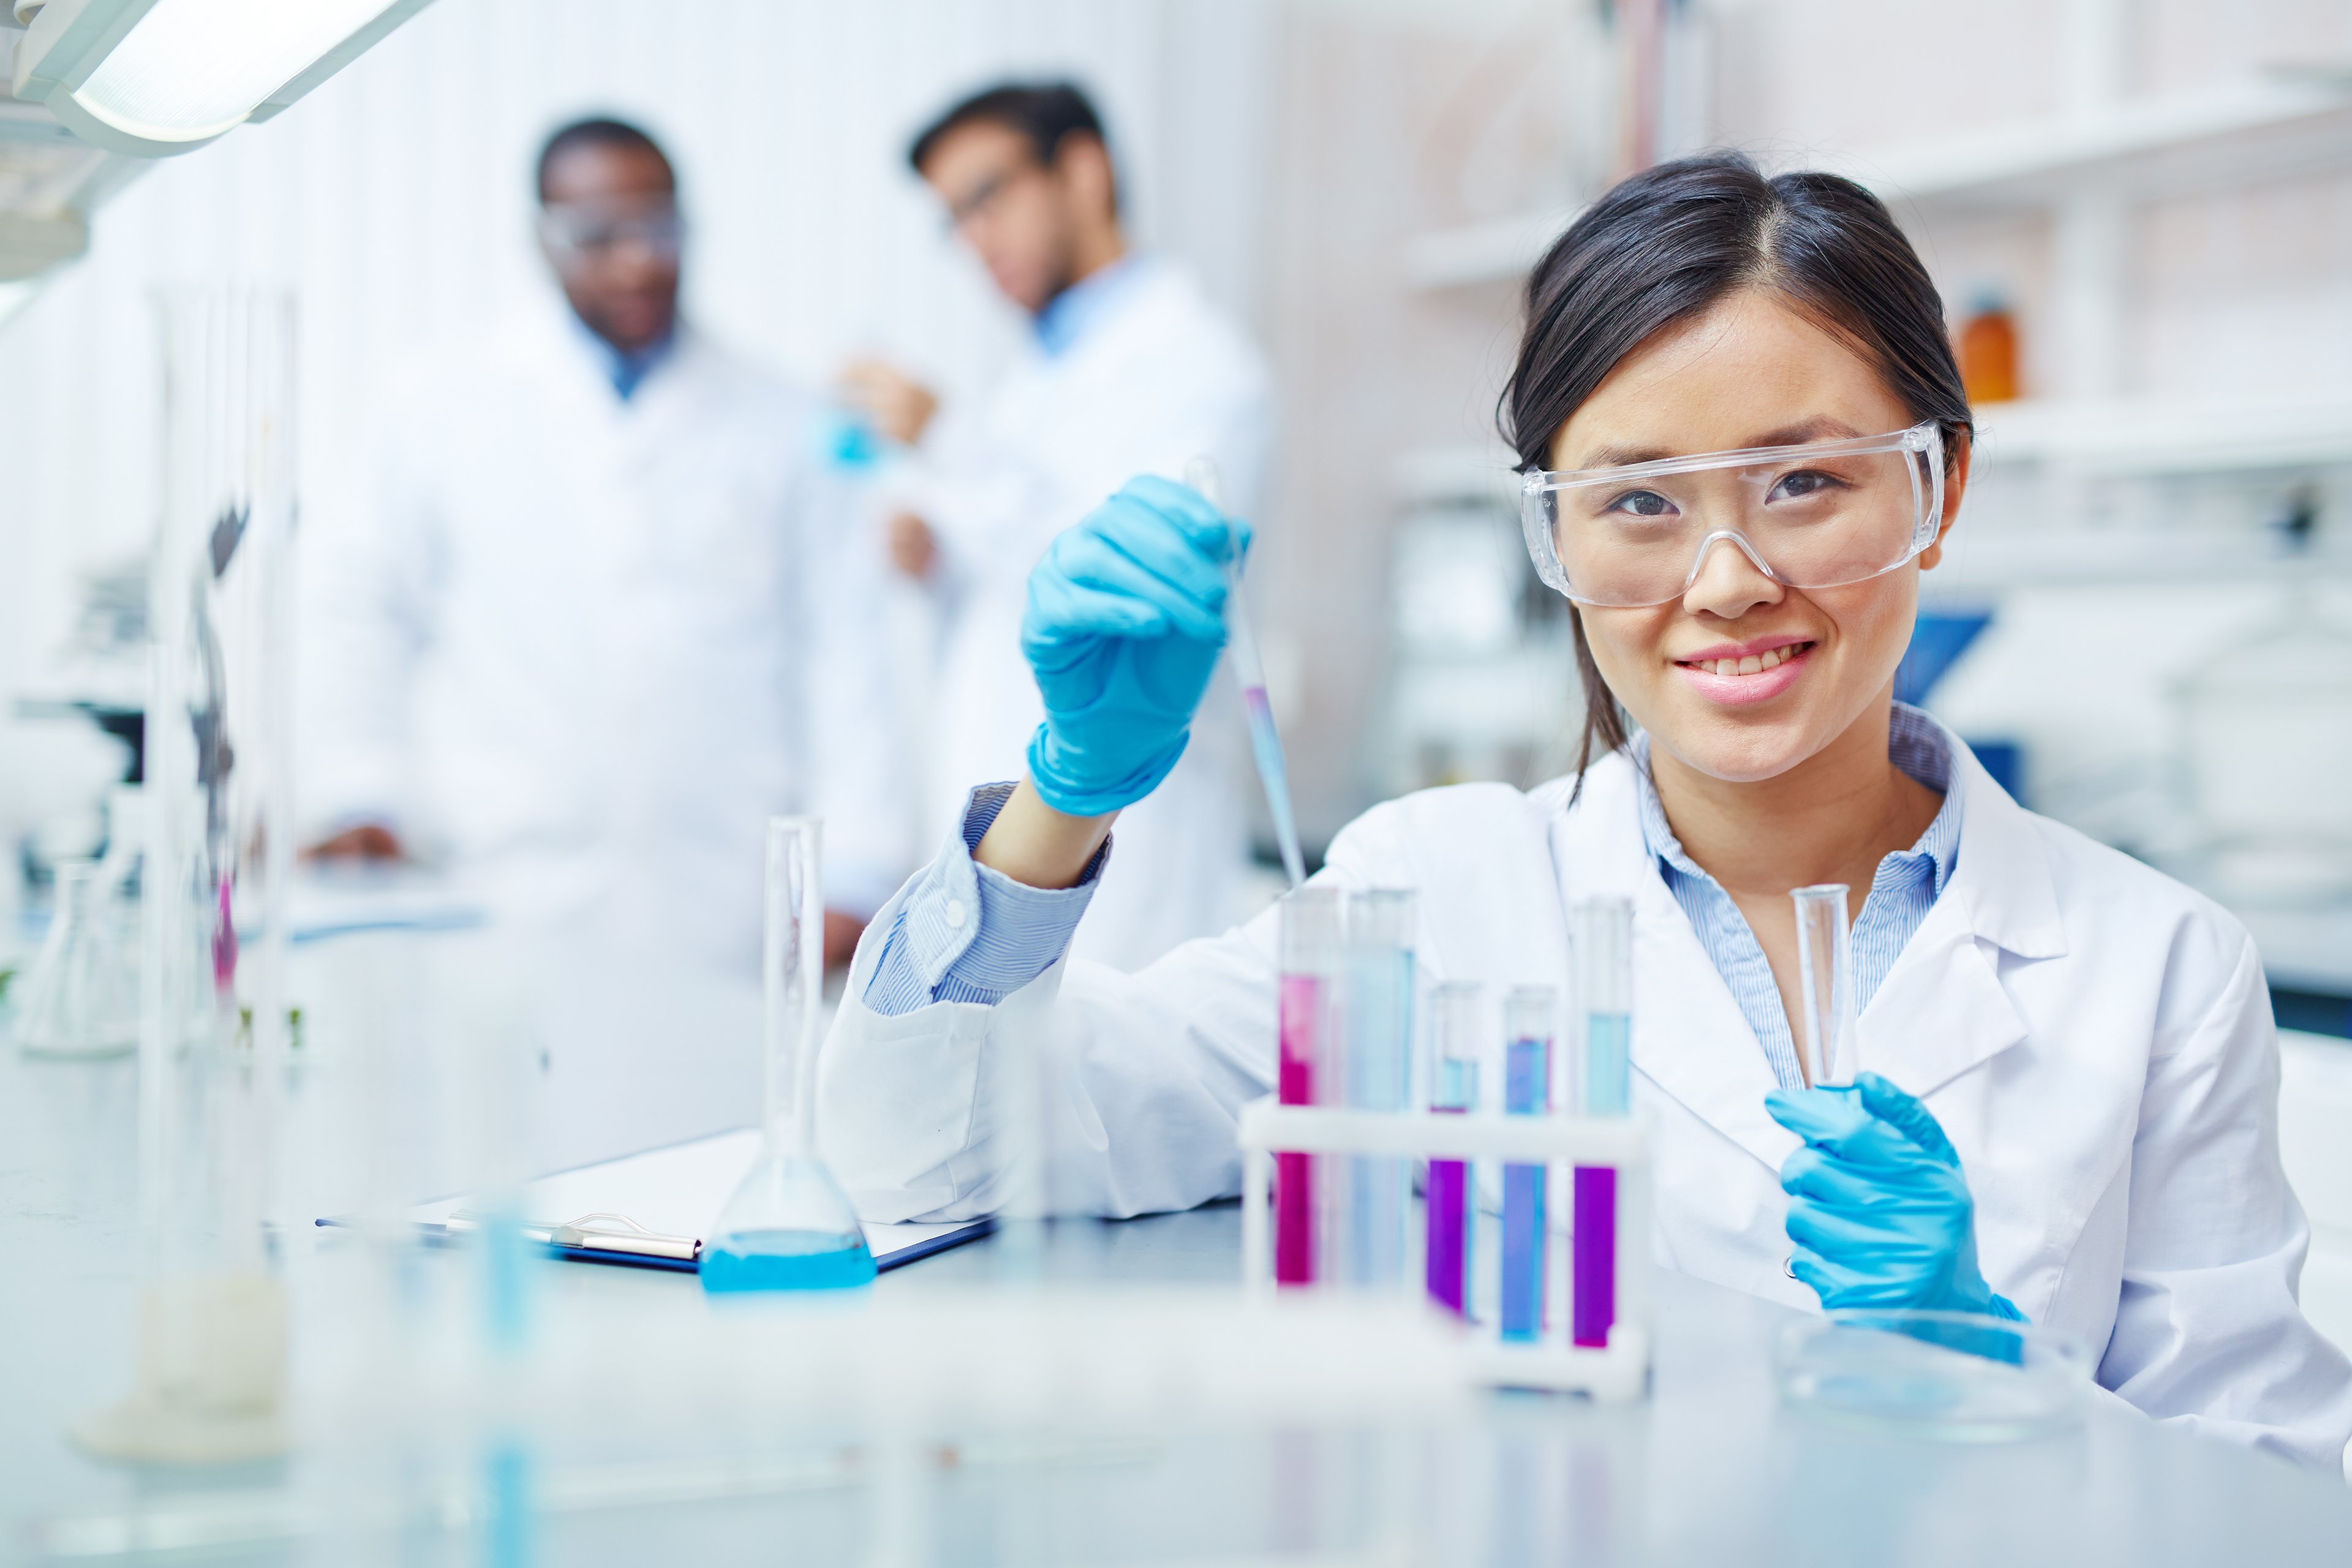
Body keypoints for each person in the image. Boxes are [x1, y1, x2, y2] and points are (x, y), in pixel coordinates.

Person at [816, 153, 2352, 1471]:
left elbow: (2272, 1497)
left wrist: (1996, 1371)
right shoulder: (1432, 893)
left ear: (1939, 485)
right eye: (1638, 502)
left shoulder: (2157, 966)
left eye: (1806, 482)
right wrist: (1067, 789)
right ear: (1554, 533)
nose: (1727, 579)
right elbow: (929, 1160)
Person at [301, 118, 905, 971]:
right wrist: (359, 787)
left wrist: (858, 868)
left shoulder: (783, 419)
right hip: (498, 876)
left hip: (723, 892)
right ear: (541, 241)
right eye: (598, 236)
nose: (637, 262)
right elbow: (360, 605)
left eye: (659, 228)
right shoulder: (439, 402)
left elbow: (846, 647)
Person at [838, 81, 1274, 972]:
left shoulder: (1204, 371)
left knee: (1101, 1045)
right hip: (1012, 832)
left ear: (1082, 170)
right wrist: (941, 557)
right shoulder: (1035, 379)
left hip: (1131, 855)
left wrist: (950, 448)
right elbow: (1023, 575)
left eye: (988, 197)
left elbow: (1127, 591)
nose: (974, 240)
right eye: (954, 220)